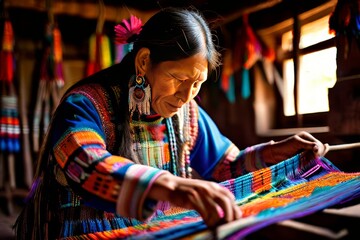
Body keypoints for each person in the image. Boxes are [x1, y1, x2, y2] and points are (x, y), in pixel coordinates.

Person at [14, 7, 329, 239]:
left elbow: (226, 166)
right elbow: (83, 161)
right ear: (143, 62)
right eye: (178, 79)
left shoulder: (187, 113)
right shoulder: (87, 103)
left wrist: (276, 152)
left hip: (147, 230)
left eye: (197, 83)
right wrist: (171, 186)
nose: (186, 95)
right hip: (75, 231)